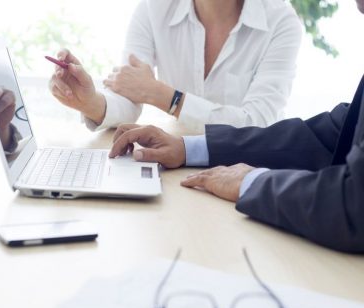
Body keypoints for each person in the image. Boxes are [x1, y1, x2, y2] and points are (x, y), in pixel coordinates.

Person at [109, 0, 364, 254]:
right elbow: (328, 134)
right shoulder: (154, 8)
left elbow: (356, 204)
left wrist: (251, 182)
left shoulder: (279, 18)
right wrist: (187, 148)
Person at [49, 0, 302, 132]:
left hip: (246, 170)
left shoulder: (281, 22)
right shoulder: (153, 8)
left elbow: (256, 124)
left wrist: (161, 95)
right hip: (178, 162)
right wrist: (91, 102)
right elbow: (129, 94)